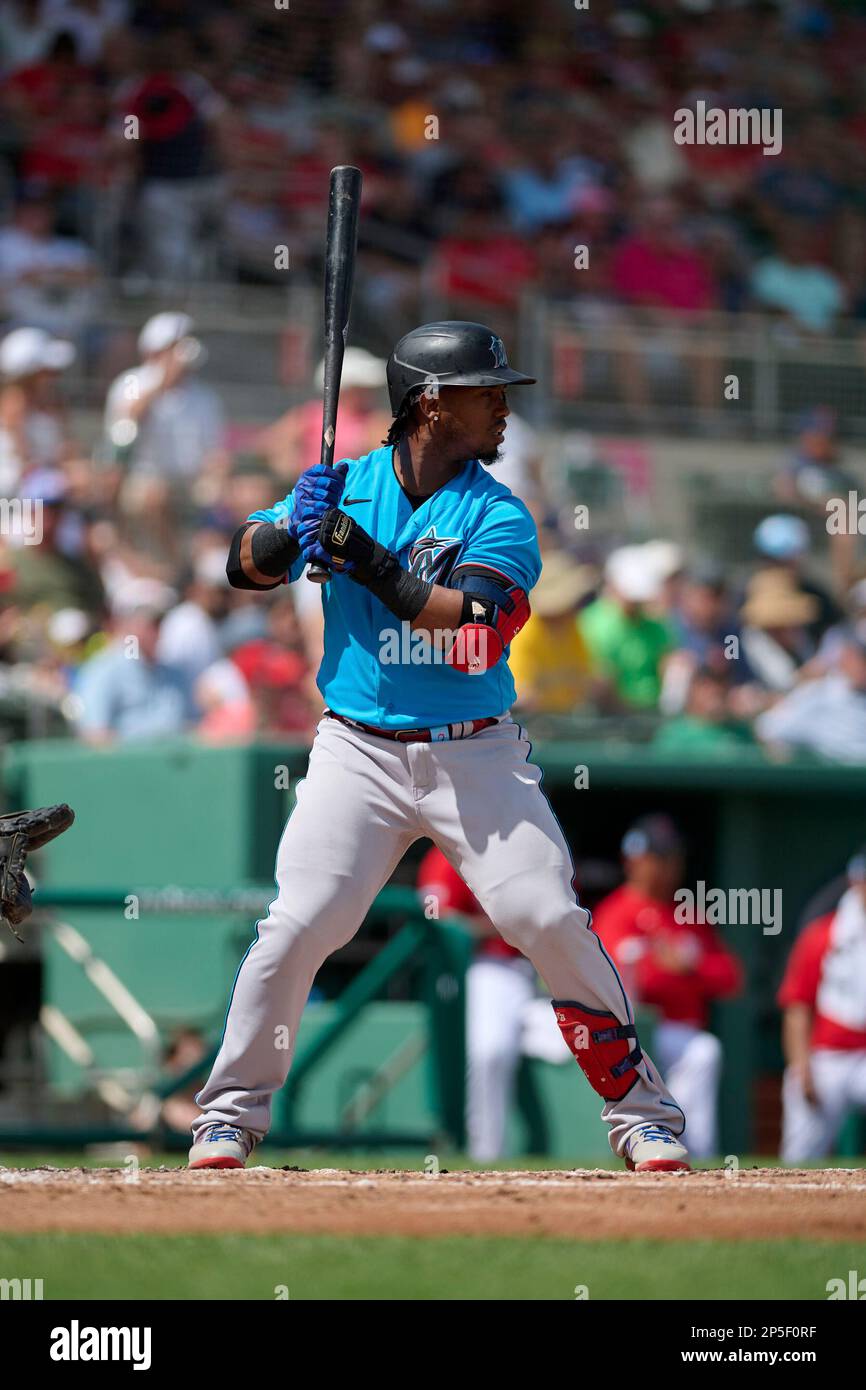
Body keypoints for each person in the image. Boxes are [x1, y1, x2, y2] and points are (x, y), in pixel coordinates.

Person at [188, 319, 689, 1173]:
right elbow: (238, 568)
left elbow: (474, 631)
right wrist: (288, 531)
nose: (501, 408)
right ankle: (229, 1114)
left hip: (474, 752)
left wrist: (364, 558)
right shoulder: (345, 484)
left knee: (545, 915)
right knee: (300, 922)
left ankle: (641, 1113)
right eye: (484, 393)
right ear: (428, 406)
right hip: (356, 751)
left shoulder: (500, 512)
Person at [592, 815, 742, 1157]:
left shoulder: (687, 914)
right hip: (634, 1030)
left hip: (679, 1030)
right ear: (634, 859)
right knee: (701, 1053)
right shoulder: (615, 912)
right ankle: (672, 1147)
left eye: (674, 857)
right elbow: (612, 978)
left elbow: (730, 978)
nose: (669, 866)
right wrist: (658, 967)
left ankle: (697, 1154)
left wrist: (690, 967)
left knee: (702, 1051)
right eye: (659, 858)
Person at [416, 844, 569, 1163]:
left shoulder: (538, 844)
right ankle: (486, 1156)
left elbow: (560, 913)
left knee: (567, 1044)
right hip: (488, 968)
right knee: (492, 1050)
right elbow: (440, 919)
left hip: (541, 972)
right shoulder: (450, 850)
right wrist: (502, 926)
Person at [778, 849, 866, 1162]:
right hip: (828, 1057)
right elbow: (797, 1006)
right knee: (800, 1151)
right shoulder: (821, 935)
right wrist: (801, 1066)